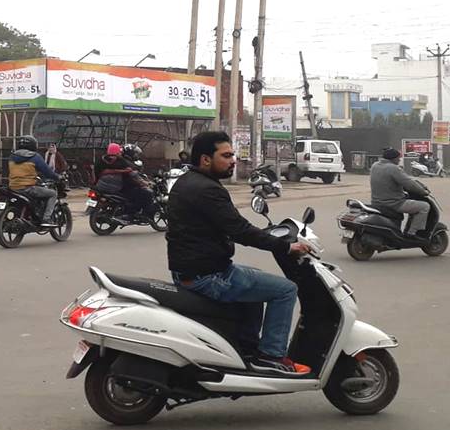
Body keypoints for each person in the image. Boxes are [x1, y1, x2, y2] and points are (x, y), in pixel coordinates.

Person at [167, 131, 313, 376]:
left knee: (255, 278)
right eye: (226, 156)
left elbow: (229, 225)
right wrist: (286, 246)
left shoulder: (187, 182)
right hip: (208, 276)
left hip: (193, 269)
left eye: (233, 154)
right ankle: (271, 356)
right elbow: (239, 230)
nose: (233, 160)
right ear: (205, 159)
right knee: (285, 289)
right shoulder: (207, 190)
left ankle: (247, 347)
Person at [370, 147, 431, 238]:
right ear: (393, 158)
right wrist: (423, 192)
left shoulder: (375, 166)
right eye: (398, 158)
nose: (399, 160)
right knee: (424, 206)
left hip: (376, 202)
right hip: (393, 203)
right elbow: (409, 183)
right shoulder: (393, 168)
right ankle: (412, 233)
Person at [94, 143, 156, 220]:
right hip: (120, 187)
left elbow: (97, 173)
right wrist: (145, 183)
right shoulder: (123, 162)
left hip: (100, 186)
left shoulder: (101, 160)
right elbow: (134, 176)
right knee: (146, 194)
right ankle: (135, 214)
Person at [8, 135, 59, 227]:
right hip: (27, 188)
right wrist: (57, 177)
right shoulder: (35, 157)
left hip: (13, 187)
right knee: (52, 193)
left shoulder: (12, 156)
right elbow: (47, 171)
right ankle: (46, 219)